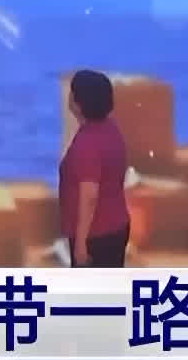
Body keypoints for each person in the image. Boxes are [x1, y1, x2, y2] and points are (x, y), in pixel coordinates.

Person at [60, 70, 130, 267]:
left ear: (78, 102)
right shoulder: (111, 128)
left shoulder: (87, 143)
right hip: (116, 227)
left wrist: (81, 243)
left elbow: (89, 195)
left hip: (96, 236)